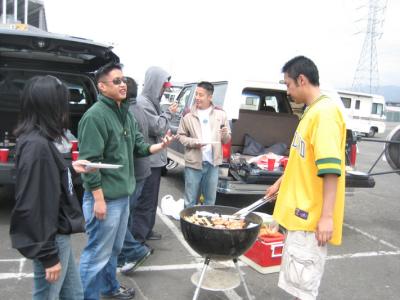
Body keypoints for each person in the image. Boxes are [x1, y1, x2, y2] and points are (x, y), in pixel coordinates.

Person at [77, 63, 174, 300]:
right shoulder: (95, 116)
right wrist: (98, 199)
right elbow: (89, 164)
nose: (123, 85)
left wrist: (160, 146)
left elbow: (139, 146)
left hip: (121, 197)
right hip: (104, 200)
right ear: (101, 86)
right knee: (97, 253)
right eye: (116, 81)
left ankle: (109, 288)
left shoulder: (124, 113)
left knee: (114, 250)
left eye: (123, 80)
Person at [265, 56, 346, 300]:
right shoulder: (311, 112)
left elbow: (330, 168)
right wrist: (280, 183)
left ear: (302, 80)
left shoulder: (325, 113)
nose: (287, 91)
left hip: (311, 219)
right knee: (295, 283)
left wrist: (327, 217)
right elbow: (302, 161)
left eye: (288, 84)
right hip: (299, 216)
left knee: (304, 287)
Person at [9, 75, 94, 300]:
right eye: (62, 102)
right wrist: (48, 256)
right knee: (47, 296)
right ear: (51, 106)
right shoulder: (37, 147)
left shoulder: (38, 140)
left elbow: (47, 180)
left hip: (57, 235)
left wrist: (71, 168)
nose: (65, 108)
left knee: (74, 294)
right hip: (52, 238)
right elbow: (32, 206)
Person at [133, 66, 178, 243]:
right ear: (154, 84)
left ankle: (146, 230)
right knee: (145, 200)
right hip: (149, 160)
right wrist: (169, 113)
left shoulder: (153, 102)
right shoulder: (143, 102)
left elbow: (160, 128)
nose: (164, 90)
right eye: (162, 86)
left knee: (151, 200)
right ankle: (138, 238)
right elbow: (158, 126)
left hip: (156, 159)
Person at [117, 77, 153, 275]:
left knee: (123, 217)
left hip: (135, 171)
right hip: (141, 170)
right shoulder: (137, 108)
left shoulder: (129, 112)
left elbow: (131, 147)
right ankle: (124, 256)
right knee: (127, 215)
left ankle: (133, 253)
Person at [177, 81, 231, 207]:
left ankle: (205, 226)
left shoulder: (221, 115)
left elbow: (227, 139)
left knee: (210, 201)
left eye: (200, 95)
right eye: (196, 94)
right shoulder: (188, 116)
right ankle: (188, 227)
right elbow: (180, 136)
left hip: (213, 164)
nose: (197, 97)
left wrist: (224, 134)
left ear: (210, 97)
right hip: (194, 163)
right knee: (190, 201)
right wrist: (195, 143)